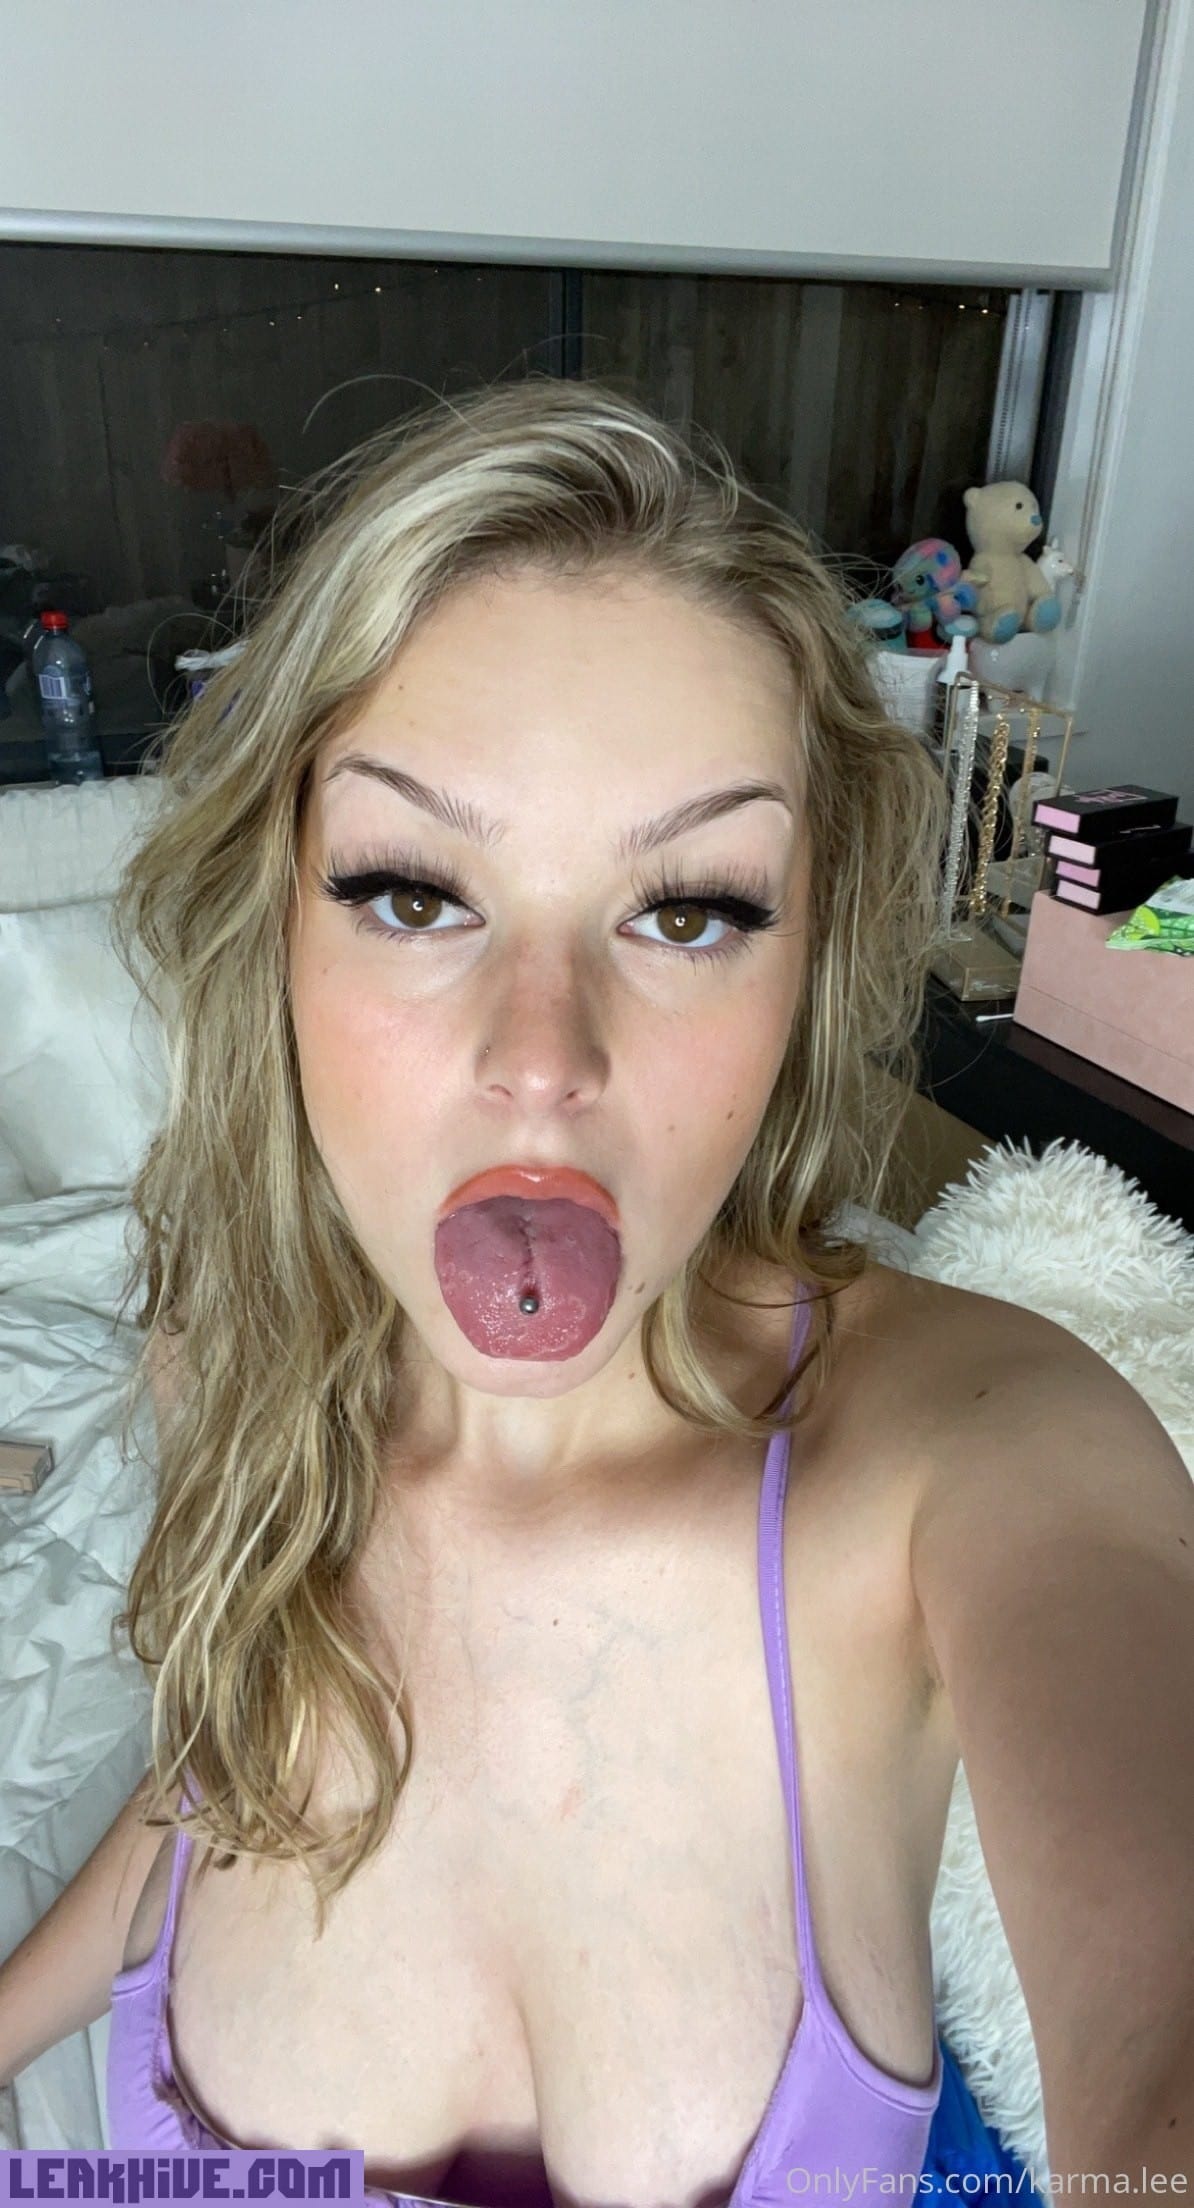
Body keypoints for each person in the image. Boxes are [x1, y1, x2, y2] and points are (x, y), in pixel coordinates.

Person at [1, 378, 1190, 2203]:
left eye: (688, 910)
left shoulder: (977, 1449)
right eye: (413, 893)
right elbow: (220, 1771)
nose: (540, 1059)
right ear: (275, 929)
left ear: (804, 969)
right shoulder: (243, 1365)